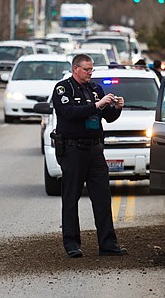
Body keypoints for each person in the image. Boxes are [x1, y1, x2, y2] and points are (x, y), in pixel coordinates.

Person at [51, 54, 127, 258]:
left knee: (102, 197)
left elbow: (107, 117)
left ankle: (108, 244)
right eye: (87, 69)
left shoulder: (95, 89)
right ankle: (72, 244)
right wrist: (97, 105)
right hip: (73, 150)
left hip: (95, 150)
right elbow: (69, 112)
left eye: (92, 70)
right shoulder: (63, 88)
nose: (90, 73)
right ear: (76, 69)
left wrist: (116, 108)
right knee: (71, 198)